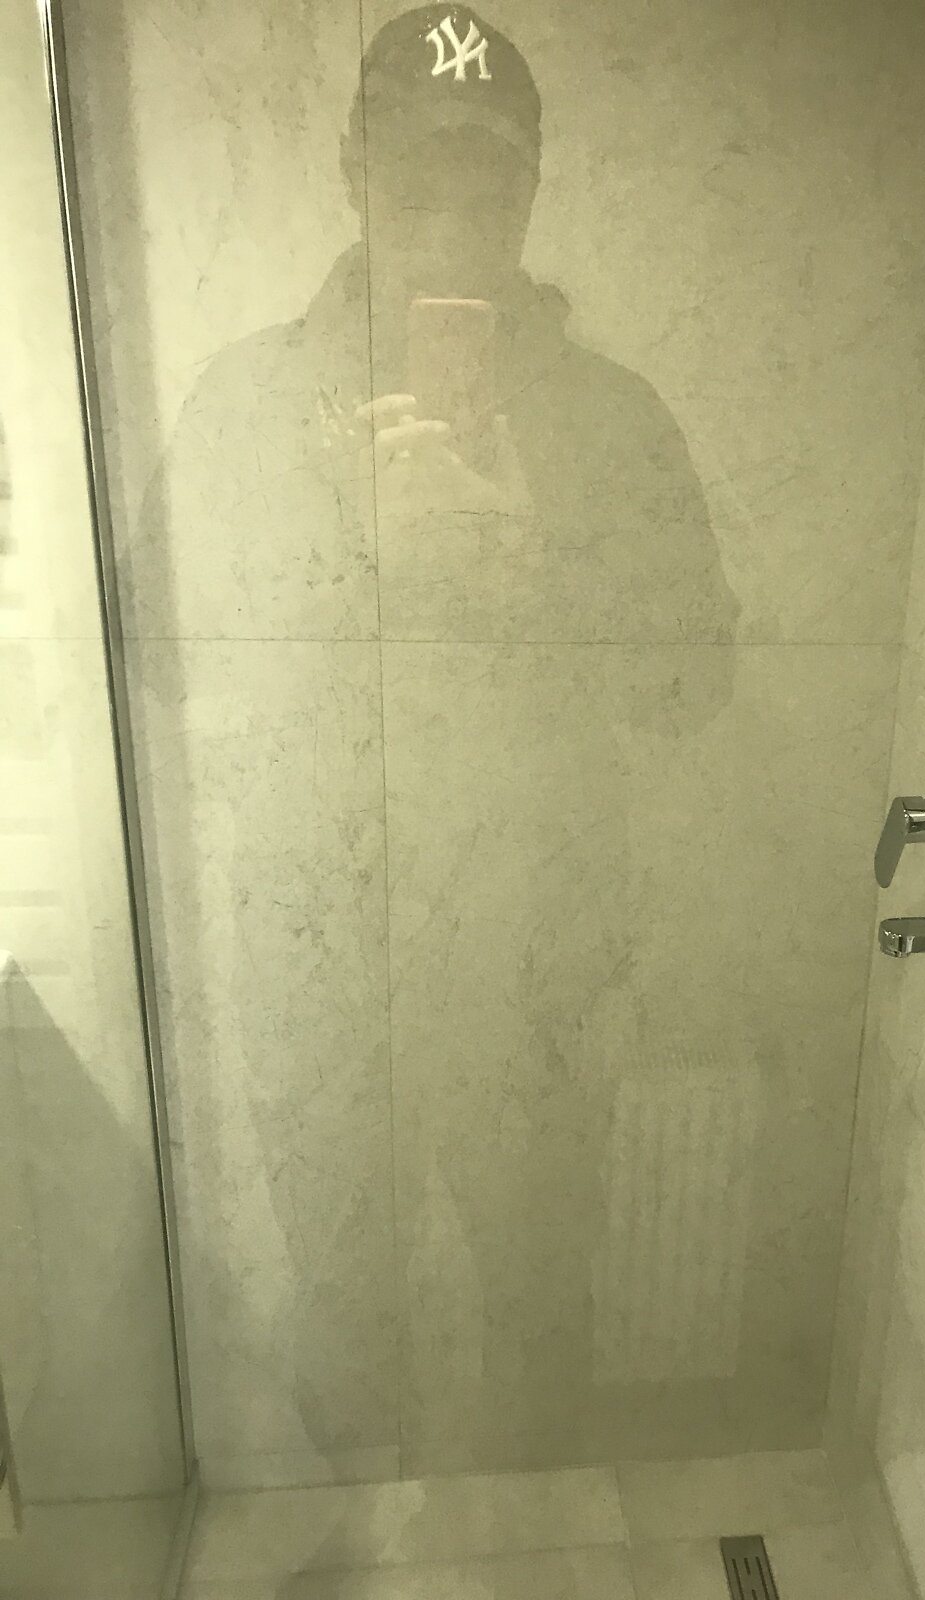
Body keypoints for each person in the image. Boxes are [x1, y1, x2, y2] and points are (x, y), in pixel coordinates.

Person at [135, 4, 741, 1460]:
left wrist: (539, 569)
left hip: (541, 954)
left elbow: (693, 689)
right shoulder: (247, 405)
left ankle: (531, 1552)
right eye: (421, 180)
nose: (458, 224)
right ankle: (376, 1546)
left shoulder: (613, 421)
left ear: (532, 190)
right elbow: (161, 677)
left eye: (492, 186)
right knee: (345, 1330)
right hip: (324, 951)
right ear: (355, 170)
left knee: (540, 1320)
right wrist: (349, 563)